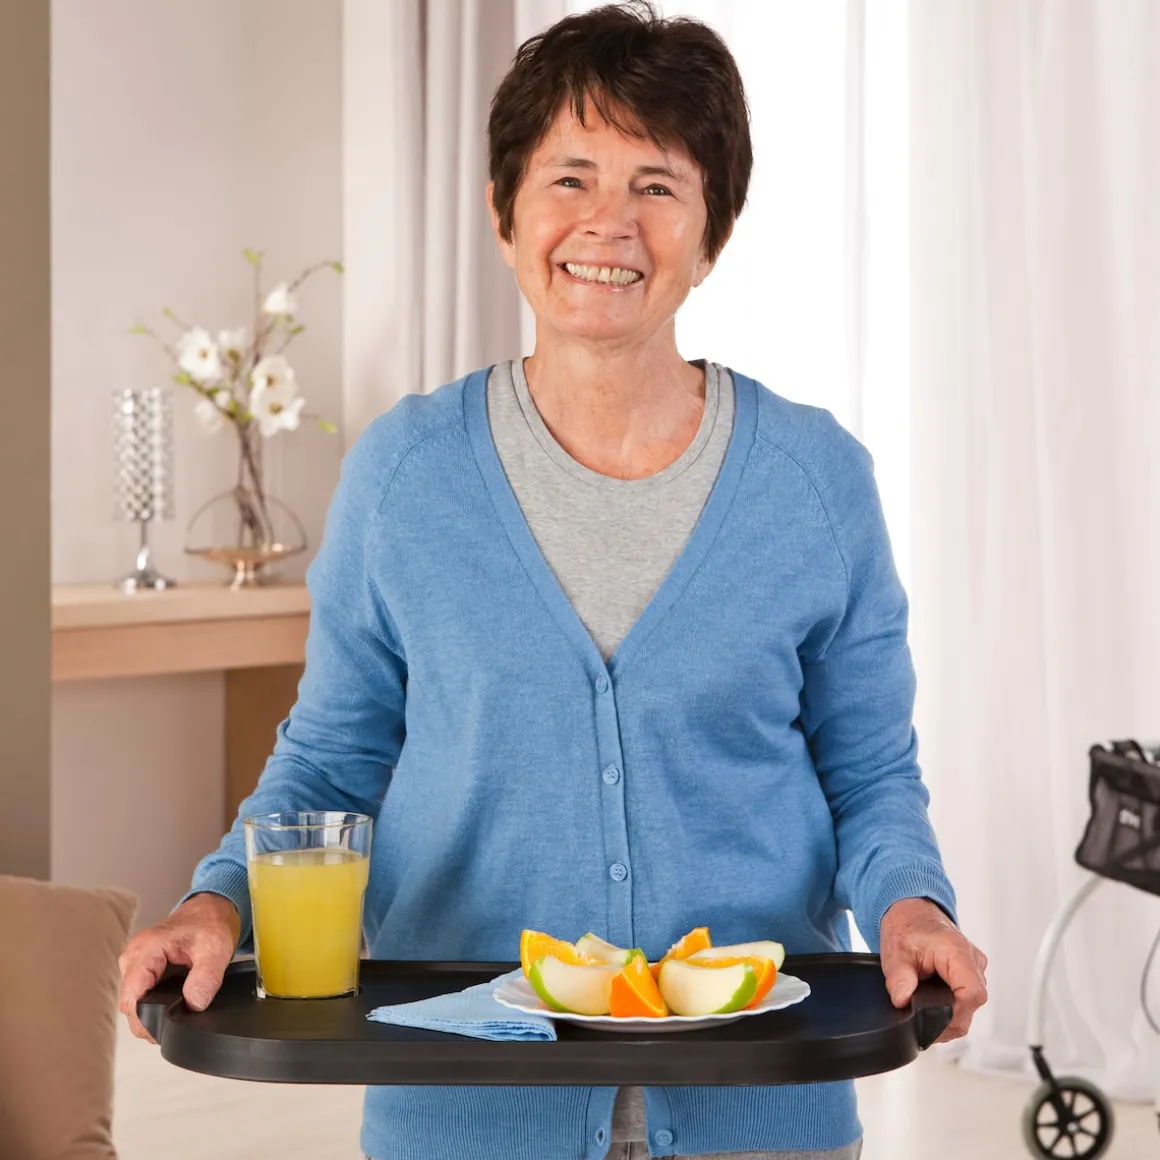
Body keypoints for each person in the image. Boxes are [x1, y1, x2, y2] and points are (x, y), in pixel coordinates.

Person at [119, 4, 988, 1158]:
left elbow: (870, 769)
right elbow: (330, 761)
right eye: (568, 177)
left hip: (757, 1112)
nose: (607, 224)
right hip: (459, 1108)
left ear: (710, 232)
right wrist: (214, 899)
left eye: (656, 186)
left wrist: (910, 904)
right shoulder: (405, 473)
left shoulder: (816, 482)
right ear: (503, 212)